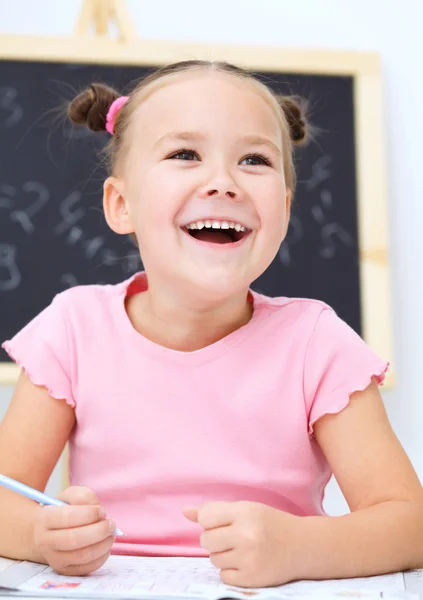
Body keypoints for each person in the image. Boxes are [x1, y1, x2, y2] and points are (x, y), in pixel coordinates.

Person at [1, 60, 422, 588]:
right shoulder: (72, 328)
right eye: (185, 154)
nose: (223, 182)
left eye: (253, 159)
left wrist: (299, 548)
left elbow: (410, 524)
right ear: (121, 204)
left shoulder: (318, 343)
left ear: (285, 209)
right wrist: (44, 536)